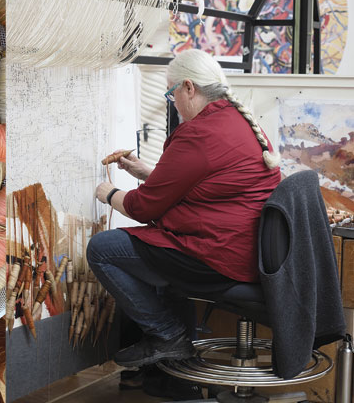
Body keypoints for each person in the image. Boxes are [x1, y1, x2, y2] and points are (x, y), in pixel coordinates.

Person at [88, 49, 281, 368]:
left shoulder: (199, 134)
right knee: (154, 248)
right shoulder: (235, 121)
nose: (172, 101)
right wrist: (152, 174)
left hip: (220, 257)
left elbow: (142, 207)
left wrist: (109, 194)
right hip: (249, 251)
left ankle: (169, 336)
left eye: (171, 92)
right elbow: (209, 184)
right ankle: (171, 369)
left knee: (102, 249)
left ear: (189, 88)